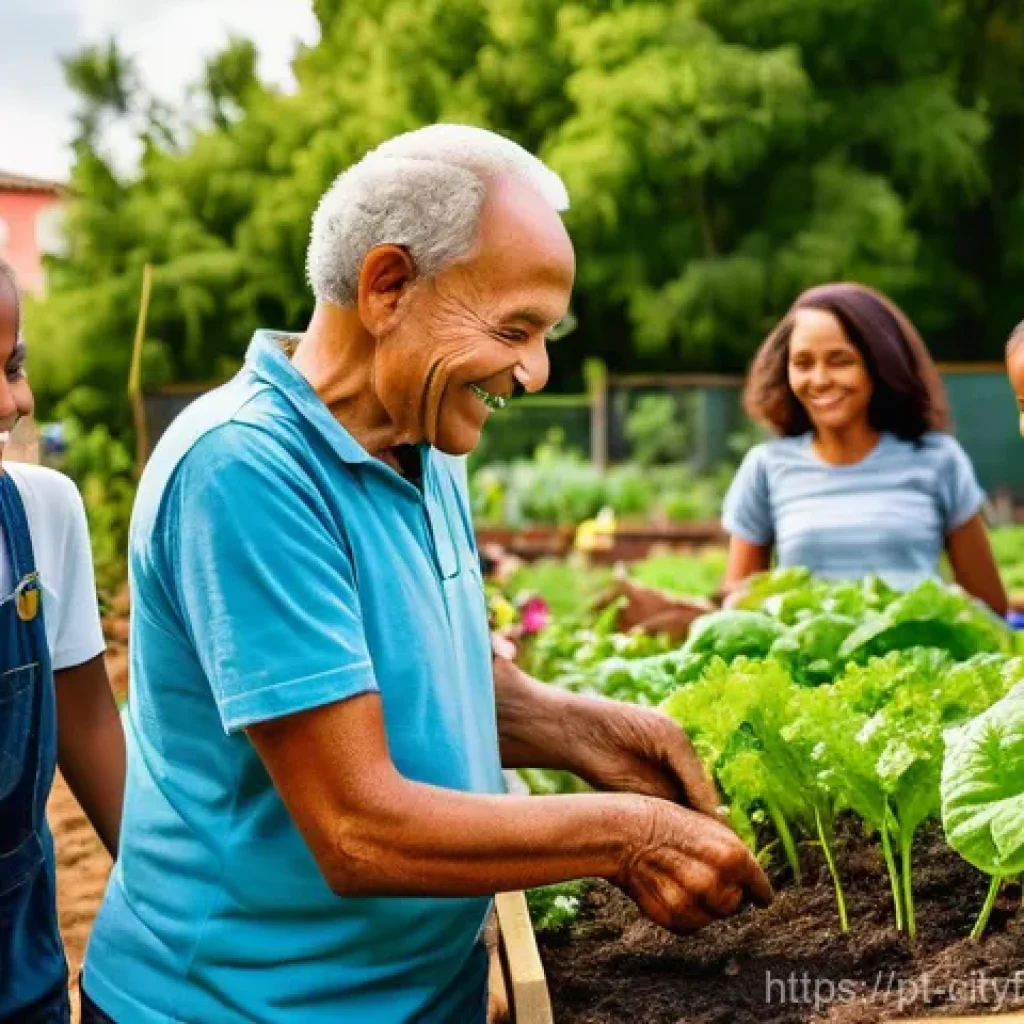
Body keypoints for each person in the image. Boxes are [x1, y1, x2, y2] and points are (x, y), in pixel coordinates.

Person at [82, 125, 771, 1024]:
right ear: (389, 286)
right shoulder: (244, 468)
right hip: (242, 1006)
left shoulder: (425, 435)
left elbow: (419, 674)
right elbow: (355, 827)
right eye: (515, 328)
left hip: (414, 999)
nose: (534, 371)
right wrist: (625, 833)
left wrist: (581, 730)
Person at [0, 258, 126, 1021]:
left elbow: (85, 722)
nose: (15, 401)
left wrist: (167, 901)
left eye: (13, 364)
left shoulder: (40, 516)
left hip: (23, 974)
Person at [723, 281, 1007, 614]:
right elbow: (738, 616)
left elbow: (989, 608)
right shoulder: (766, 467)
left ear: (878, 364)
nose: (820, 379)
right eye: (803, 363)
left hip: (916, 663)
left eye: (839, 360)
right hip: (806, 663)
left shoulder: (938, 460)